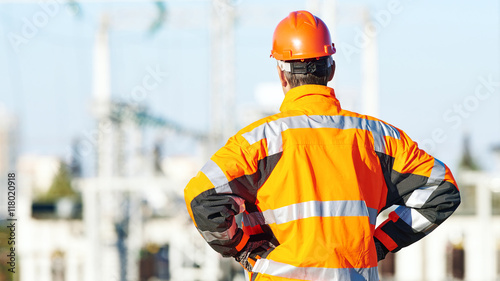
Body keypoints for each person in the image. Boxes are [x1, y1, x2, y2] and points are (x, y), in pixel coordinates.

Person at [184, 10, 460, 281]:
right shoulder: (378, 138)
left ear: (282, 75)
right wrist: (380, 243)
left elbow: (201, 197)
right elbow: (442, 189)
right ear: (331, 69)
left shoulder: (257, 143)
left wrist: (244, 248)